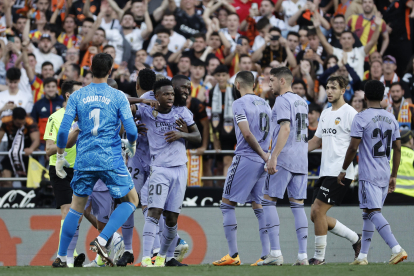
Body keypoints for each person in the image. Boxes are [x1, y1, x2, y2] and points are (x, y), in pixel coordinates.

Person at [52, 53, 140, 268]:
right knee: (131, 201)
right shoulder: (118, 96)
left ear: (90, 69)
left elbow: (64, 131)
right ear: (110, 70)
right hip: (109, 158)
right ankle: (102, 239)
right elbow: (131, 130)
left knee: (76, 207)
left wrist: (61, 156)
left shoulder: (77, 96)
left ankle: (62, 257)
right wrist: (131, 144)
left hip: (84, 159)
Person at [339, 79, 408, 265]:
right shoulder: (391, 118)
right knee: (368, 212)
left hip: (368, 173)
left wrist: (344, 169)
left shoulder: (361, 117)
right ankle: (362, 257)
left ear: (365, 97)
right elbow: (398, 149)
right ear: (384, 96)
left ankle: (396, 248)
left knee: (372, 212)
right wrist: (394, 175)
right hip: (385, 172)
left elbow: (353, 148)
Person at [134, 78, 201, 267]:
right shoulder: (147, 111)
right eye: (166, 94)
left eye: (172, 93)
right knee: (154, 212)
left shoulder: (182, 113)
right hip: (160, 169)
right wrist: (137, 112)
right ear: (156, 96)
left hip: (180, 170)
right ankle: (147, 258)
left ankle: (163, 257)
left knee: (172, 220)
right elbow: (122, 103)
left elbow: (198, 136)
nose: (171, 96)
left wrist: (182, 135)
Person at [212, 71, 272, 266]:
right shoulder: (265, 103)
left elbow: (246, 133)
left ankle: (233, 254)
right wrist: (266, 155)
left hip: (247, 157)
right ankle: (267, 254)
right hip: (263, 158)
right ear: (253, 84)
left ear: (237, 85)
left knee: (227, 204)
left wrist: (262, 155)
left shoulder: (239, 103)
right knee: (259, 205)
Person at [307, 76, 361, 265]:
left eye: (333, 88)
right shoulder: (325, 112)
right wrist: (295, 153)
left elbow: (355, 146)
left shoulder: (351, 113)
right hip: (326, 171)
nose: (329, 91)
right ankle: (356, 239)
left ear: (344, 90)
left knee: (317, 210)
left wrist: (345, 169)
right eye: (327, 88)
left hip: (341, 172)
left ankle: (319, 258)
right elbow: (316, 141)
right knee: (316, 215)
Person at [261, 67, 309, 266]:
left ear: (282, 81)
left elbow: (286, 128)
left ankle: (275, 253)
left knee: (267, 200)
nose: (269, 84)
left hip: (285, 157)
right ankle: (303, 256)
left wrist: (274, 157)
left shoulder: (281, 100)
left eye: (271, 80)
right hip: (301, 159)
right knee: (297, 205)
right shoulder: (302, 101)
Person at [117, 68, 157, 267]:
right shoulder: (163, 100)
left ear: (137, 84)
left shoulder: (136, 102)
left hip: (136, 157)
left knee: (129, 201)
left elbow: (123, 106)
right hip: (158, 159)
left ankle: (128, 250)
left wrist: (131, 119)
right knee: (152, 205)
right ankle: (158, 249)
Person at [44, 80, 84, 267]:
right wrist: (73, 133)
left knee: (79, 214)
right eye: (79, 92)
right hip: (60, 169)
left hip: (82, 169)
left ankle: (69, 254)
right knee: (68, 211)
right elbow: (49, 149)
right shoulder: (56, 117)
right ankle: (70, 255)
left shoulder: (86, 115)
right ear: (69, 95)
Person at [313, 14, 382, 80]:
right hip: (341, 86)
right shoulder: (336, 52)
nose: (346, 40)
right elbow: (324, 43)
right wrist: (317, 28)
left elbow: (372, 42)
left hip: (357, 88)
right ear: (340, 41)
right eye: (344, 38)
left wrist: (378, 26)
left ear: (353, 40)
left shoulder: (360, 52)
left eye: (349, 38)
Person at [0, 107, 40, 187]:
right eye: (18, 124)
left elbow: (36, 140)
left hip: (27, 154)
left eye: (23, 123)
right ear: (13, 119)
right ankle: (9, 196)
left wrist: (31, 149)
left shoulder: (30, 121)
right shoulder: (6, 121)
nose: (21, 125)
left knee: (27, 183)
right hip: (11, 154)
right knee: (5, 176)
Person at [390, 130, 414, 198]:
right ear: (410, 141)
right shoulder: (413, 156)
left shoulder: (389, 154)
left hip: (389, 194)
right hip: (410, 197)